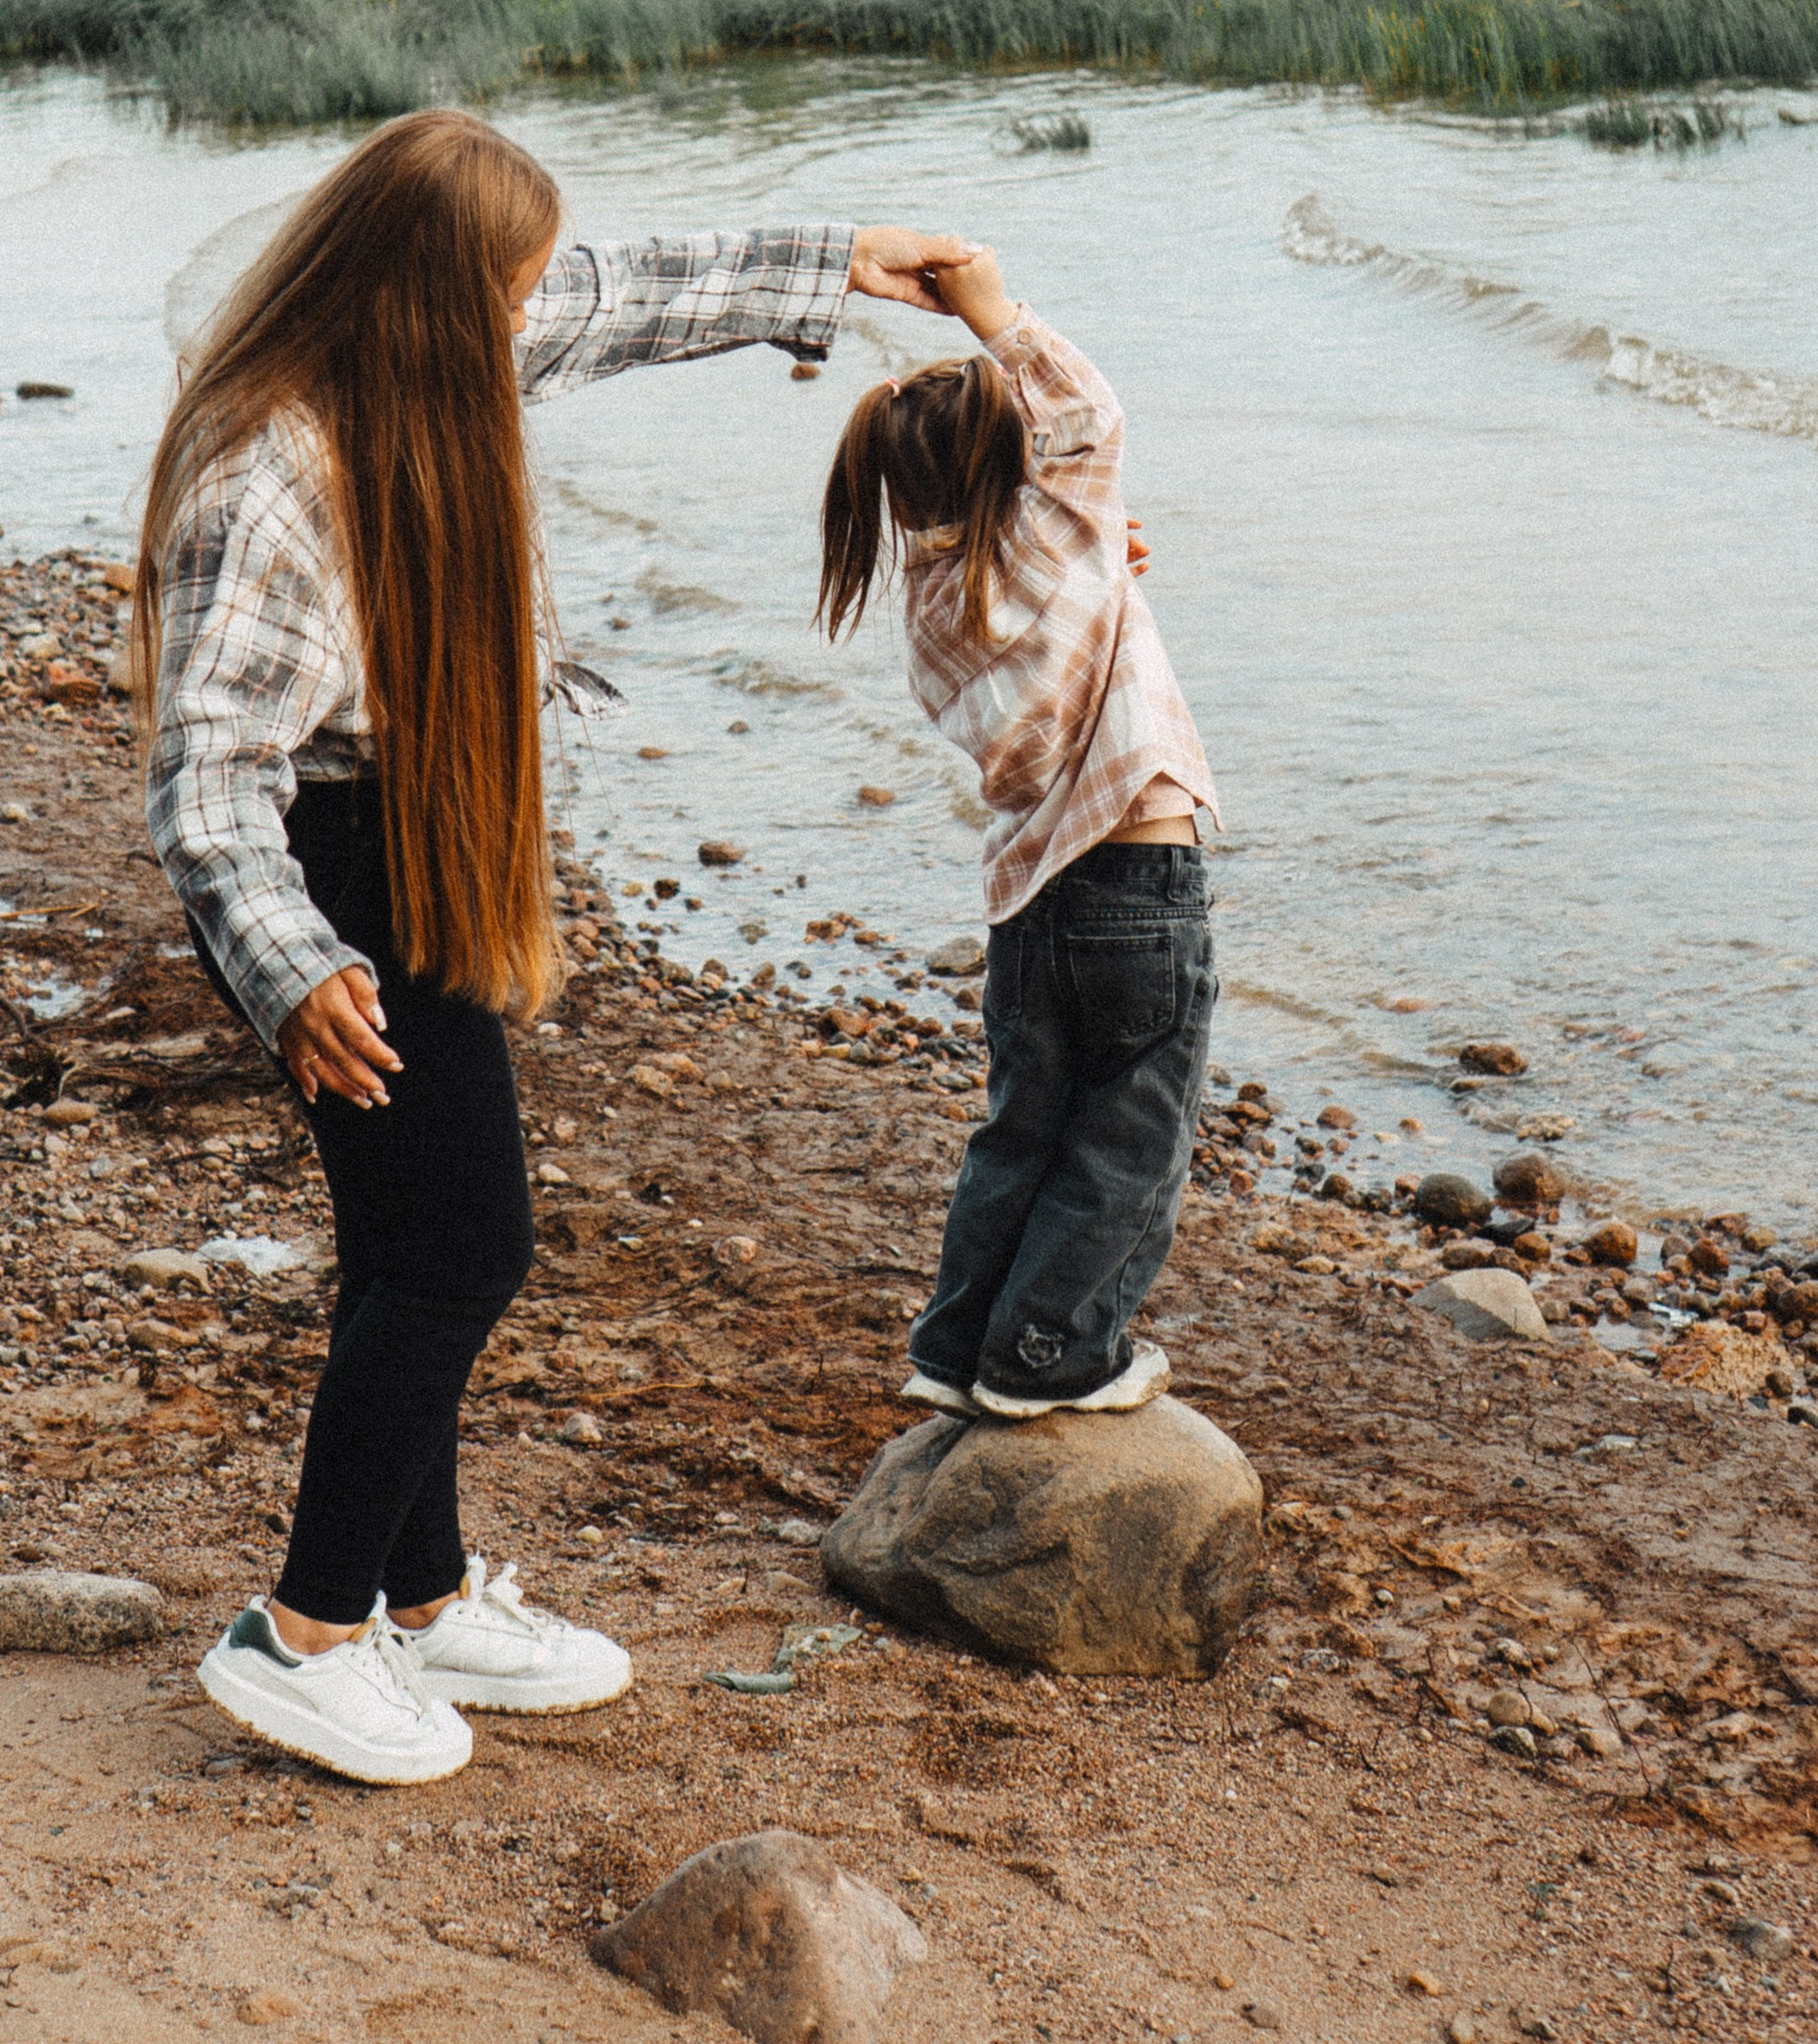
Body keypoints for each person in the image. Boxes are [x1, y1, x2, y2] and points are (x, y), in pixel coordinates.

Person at [135, 105, 975, 1784]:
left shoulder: (425, 363)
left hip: (413, 851)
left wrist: (833, 264)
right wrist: (294, 967)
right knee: (459, 1251)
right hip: (339, 880)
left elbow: (615, 291)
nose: (530, 316)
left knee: (408, 1243)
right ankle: (303, 1634)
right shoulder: (278, 469)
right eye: (502, 293)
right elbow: (204, 770)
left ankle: (421, 1592)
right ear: (424, 294)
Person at [817, 243, 1217, 1421]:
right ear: (1022, 467)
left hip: (1031, 903)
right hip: (1139, 881)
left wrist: (1102, 550)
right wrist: (995, 315)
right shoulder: (1061, 534)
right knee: (1132, 1135)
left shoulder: (935, 604)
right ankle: (1048, 1355)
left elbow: (1051, 498)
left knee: (1023, 1130)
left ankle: (953, 1345)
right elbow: (1088, 412)